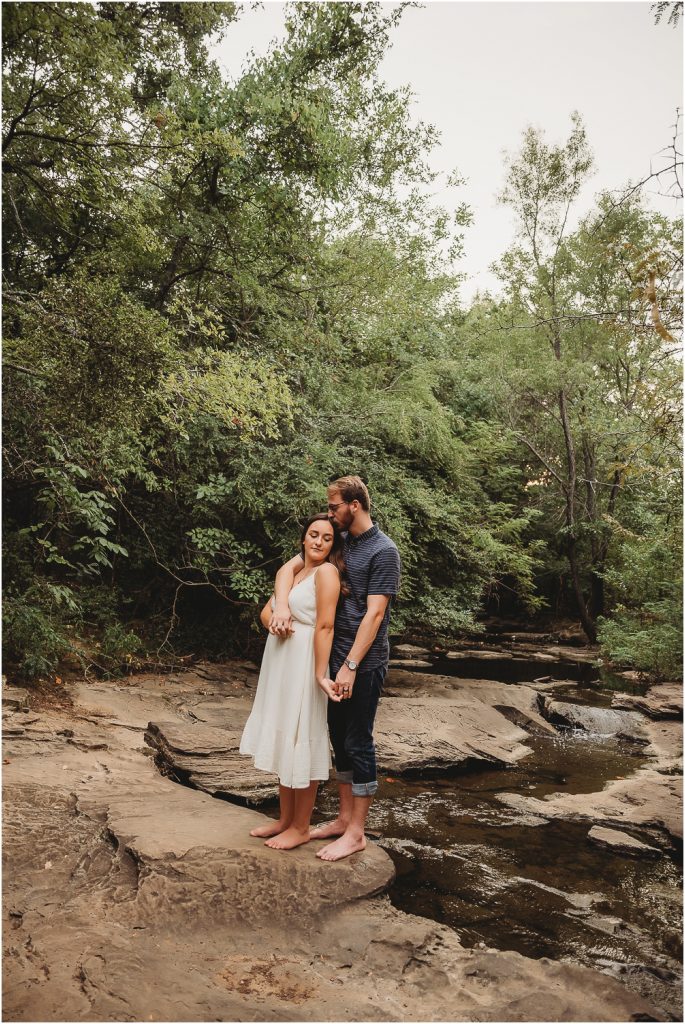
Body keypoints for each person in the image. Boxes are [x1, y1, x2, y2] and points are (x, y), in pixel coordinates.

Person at [271, 475, 401, 862]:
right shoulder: (339, 540)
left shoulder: (384, 551)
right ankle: (343, 819)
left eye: (333, 506)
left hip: (363, 662)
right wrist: (280, 606)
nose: (329, 513)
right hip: (332, 661)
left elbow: (375, 614)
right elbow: (287, 568)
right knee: (338, 740)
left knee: (358, 741)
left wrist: (350, 666)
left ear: (353, 505)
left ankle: (357, 833)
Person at [239, 514, 344, 850]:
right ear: (303, 539)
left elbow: (325, 625)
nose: (318, 542)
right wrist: (278, 618)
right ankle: (284, 819)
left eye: (327, 538)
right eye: (313, 535)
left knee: (302, 734)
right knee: (285, 733)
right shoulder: (298, 571)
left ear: (333, 545)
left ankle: (301, 826)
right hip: (281, 659)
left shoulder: (327, 573)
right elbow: (266, 613)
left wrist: (319, 673)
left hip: (303, 662)